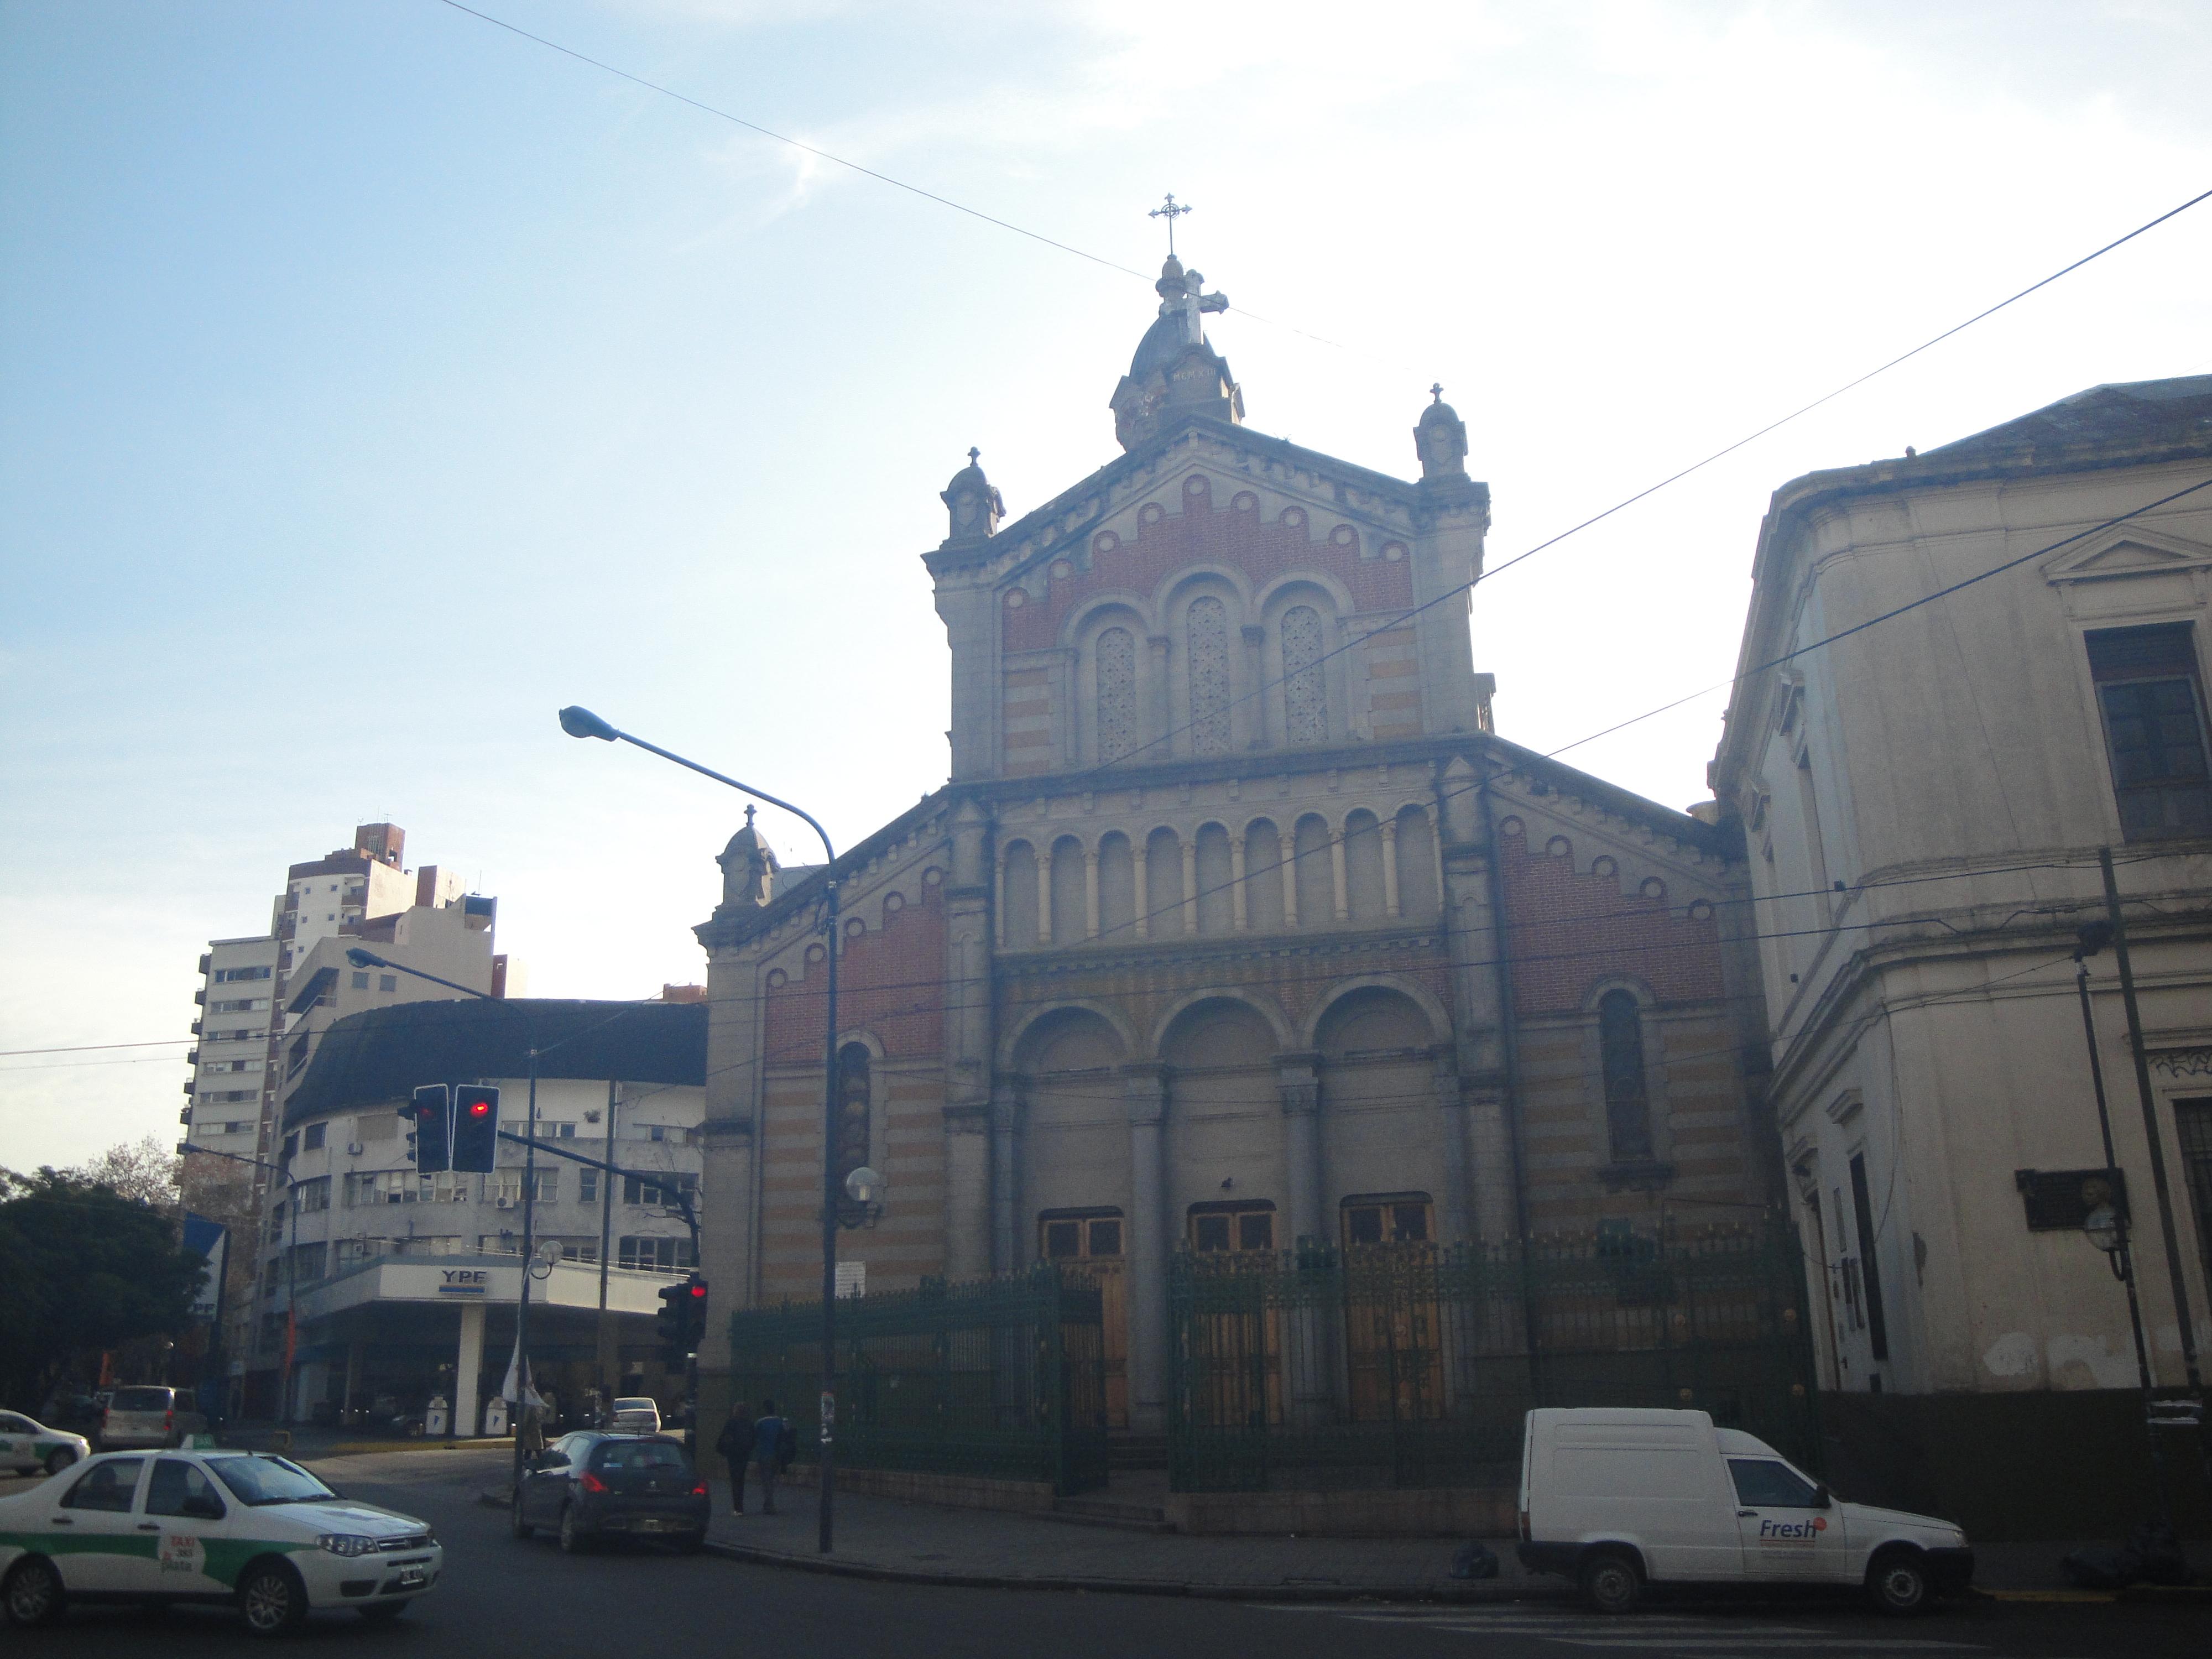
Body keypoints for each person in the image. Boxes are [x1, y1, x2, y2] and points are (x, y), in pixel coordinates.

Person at [715, 1400, 757, 1515]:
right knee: (741, 1479)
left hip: (733, 1455)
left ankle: (737, 1508)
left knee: (735, 1480)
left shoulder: (731, 1423)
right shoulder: (749, 1424)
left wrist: (723, 1451)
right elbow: (754, 1440)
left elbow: (724, 1438)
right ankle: (740, 1506)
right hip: (744, 1455)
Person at [752, 1397, 790, 1515]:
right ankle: (769, 1503)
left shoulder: (760, 1423)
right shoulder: (780, 1422)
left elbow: (754, 1438)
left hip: (764, 1454)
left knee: (766, 1480)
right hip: (777, 1454)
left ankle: (769, 1505)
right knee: (772, 1479)